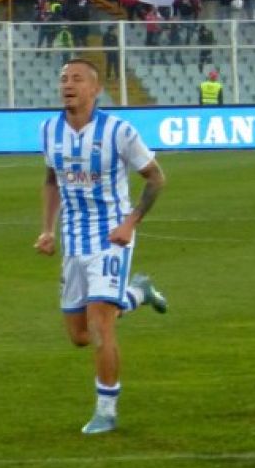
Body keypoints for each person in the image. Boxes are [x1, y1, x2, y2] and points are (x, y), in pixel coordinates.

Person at [35, 59, 168, 435]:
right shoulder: (48, 130)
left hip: (111, 239)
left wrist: (130, 223)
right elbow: (52, 179)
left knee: (100, 325)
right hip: (74, 240)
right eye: (63, 78)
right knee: (79, 335)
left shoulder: (118, 131)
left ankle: (106, 411)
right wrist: (47, 230)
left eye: (76, 79)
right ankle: (138, 293)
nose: (67, 84)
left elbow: (156, 178)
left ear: (95, 89)